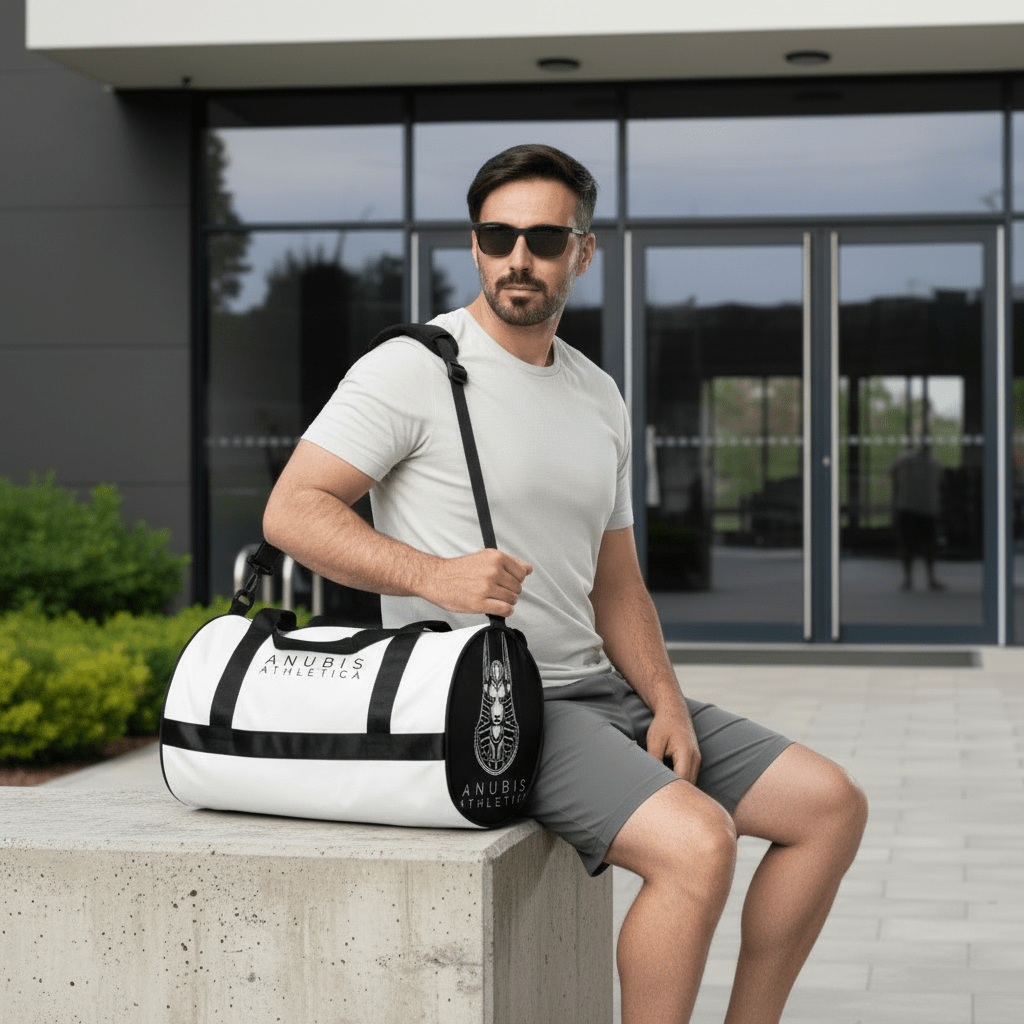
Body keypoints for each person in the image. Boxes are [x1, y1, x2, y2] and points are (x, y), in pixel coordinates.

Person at [263, 144, 868, 1024]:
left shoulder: (598, 394)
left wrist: (663, 698)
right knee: (698, 845)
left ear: (582, 252)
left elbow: (616, 581)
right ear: (474, 246)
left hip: (602, 690)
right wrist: (435, 574)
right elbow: (292, 511)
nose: (519, 257)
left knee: (829, 807)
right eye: (497, 235)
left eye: (545, 238)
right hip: (496, 703)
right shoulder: (413, 367)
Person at [891, 444, 945, 591]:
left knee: (907, 545)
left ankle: (908, 579)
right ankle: (930, 578)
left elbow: (894, 478)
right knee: (929, 546)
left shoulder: (903, 461)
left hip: (907, 508)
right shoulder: (934, 464)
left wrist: (895, 503)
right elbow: (940, 485)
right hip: (928, 510)